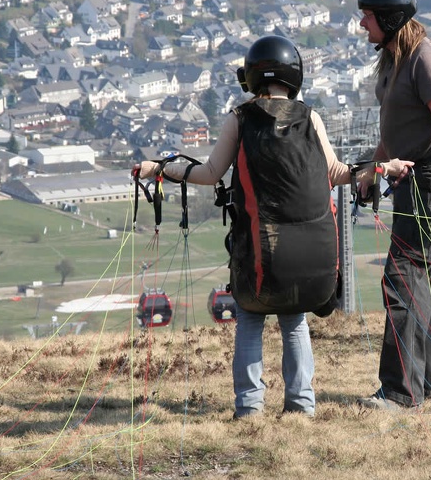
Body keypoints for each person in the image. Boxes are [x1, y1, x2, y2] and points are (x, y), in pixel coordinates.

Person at [137, 35, 412, 418]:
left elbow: (210, 173)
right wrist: (382, 167)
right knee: (294, 320)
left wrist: (162, 169)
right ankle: (301, 404)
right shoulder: (311, 117)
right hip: (313, 254)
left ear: (251, 77)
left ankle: (249, 407)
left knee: (250, 316)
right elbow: (335, 173)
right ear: (293, 77)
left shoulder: (240, 118)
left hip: (261, 250)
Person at [355, 0, 431, 410]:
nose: (362, 23)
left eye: (367, 16)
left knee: (402, 278)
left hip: (430, 178)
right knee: (424, 281)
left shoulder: (425, 59)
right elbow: (396, 129)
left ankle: (401, 393)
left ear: (388, 19)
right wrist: (373, 169)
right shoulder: (393, 58)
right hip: (406, 176)